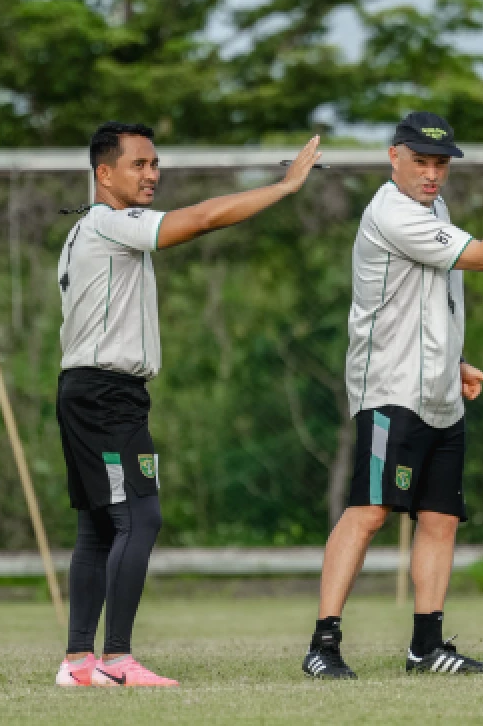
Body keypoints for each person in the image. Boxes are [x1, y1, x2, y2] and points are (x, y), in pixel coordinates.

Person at [302, 112, 483, 679]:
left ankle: (426, 647)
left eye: (440, 163)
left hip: (439, 387)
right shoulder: (393, 213)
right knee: (370, 512)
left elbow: (427, 299)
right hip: (391, 388)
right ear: (393, 157)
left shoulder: (436, 209)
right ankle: (322, 646)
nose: (431, 173)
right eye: (420, 161)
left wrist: (455, 360)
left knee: (440, 517)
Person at [54, 122, 323, 688]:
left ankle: (80, 662)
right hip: (106, 395)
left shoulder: (84, 229)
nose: (153, 174)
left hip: (89, 389)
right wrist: (282, 188)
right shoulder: (109, 222)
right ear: (105, 174)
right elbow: (200, 219)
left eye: (155, 164)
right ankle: (117, 660)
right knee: (140, 517)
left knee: (98, 527)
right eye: (139, 165)